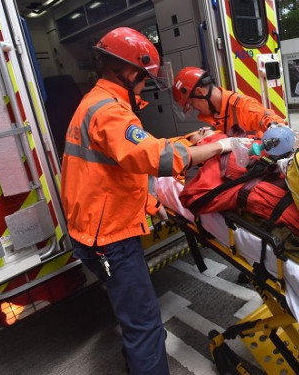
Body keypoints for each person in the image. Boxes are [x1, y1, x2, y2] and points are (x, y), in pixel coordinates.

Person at [60, 27, 242, 375]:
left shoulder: (94, 103)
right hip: (110, 238)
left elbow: (121, 163)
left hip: (95, 228)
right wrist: (219, 146)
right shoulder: (111, 112)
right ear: (129, 72)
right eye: (144, 78)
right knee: (144, 327)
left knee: (134, 319)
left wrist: (189, 140)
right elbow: (154, 158)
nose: (144, 86)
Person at [172, 66, 286, 137]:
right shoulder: (217, 115)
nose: (195, 108)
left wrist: (275, 126)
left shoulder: (241, 106)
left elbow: (265, 116)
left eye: (192, 104)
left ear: (200, 92)